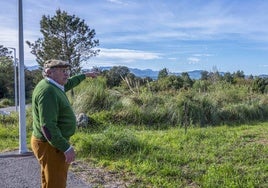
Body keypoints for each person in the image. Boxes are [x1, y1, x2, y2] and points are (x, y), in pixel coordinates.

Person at [31, 59, 98, 188]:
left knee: (50, 181)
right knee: (56, 183)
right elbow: (48, 126)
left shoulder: (52, 85)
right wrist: (66, 148)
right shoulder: (48, 92)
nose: (66, 74)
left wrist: (85, 75)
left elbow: (69, 82)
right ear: (49, 72)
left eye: (67, 70)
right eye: (62, 71)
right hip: (51, 146)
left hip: (48, 143)